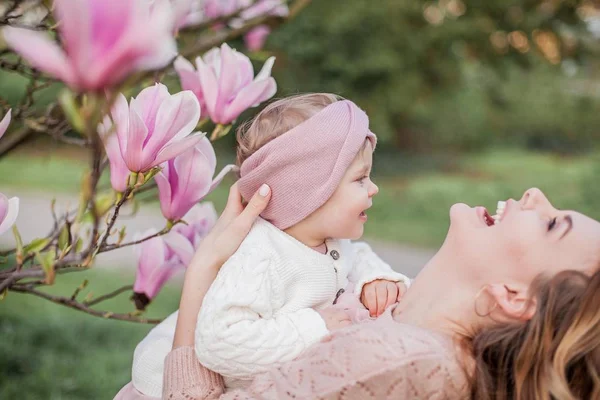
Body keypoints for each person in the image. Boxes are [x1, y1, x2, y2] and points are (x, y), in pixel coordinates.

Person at [147, 186, 600, 399]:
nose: (536, 195)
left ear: (514, 296)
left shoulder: (396, 361)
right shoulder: (400, 326)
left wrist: (204, 269)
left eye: (552, 223)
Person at [130, 94, 411, 396]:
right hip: (168, 386)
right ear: (312, 192)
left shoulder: (327, 241)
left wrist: (377, 280)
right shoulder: (261, 257)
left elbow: (359, 259)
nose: (374, 188)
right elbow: (220, 342)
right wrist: (315, 328)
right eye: (360, 179)